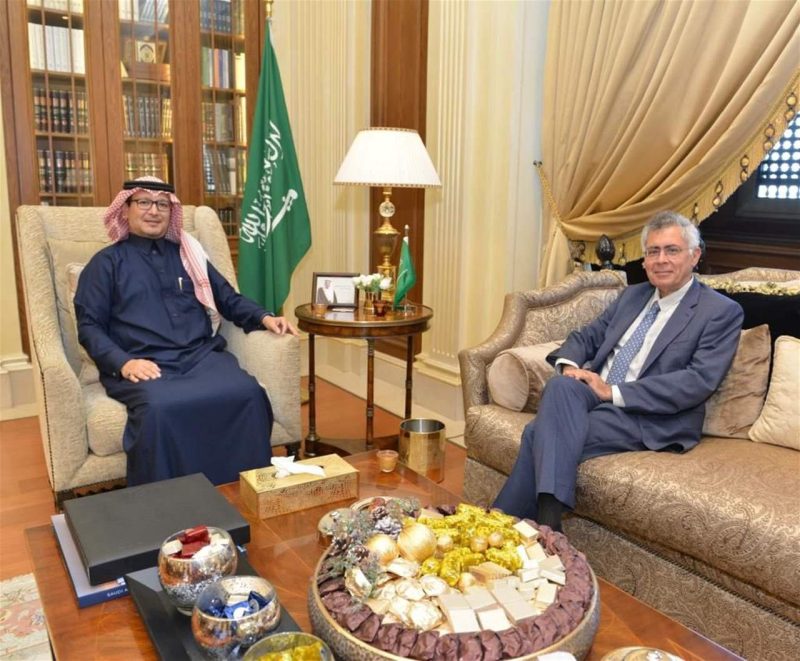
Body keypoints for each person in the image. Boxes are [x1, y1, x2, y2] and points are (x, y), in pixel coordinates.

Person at [493, 211, 744, 531]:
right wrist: (569, 367)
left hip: (651, 415)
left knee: (537, 433)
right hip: (595, 395)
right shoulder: (633, 296)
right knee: (560, 385)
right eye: (653, 251)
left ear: (694, 256)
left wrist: (612, 392)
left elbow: (697, 381)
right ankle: (542, 532)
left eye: (672, 250)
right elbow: (587, 337)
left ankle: (521, 525)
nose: (661, 260)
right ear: (644, 260)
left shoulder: (720, 311)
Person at [74, 176, 298, 487]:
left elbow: (227, 298)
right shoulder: (105, 264)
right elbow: (89, 326)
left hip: (200, 357)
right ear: (125, 209)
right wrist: (124, 363)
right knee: (159, 409)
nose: (154, 211)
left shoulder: (188, 256)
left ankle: (245, 492)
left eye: (162, 204)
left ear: (171, 211)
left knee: (248, 394)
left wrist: (264, 317)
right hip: (144, 363)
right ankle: (170, 502)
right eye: (144, 202)